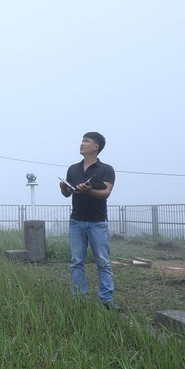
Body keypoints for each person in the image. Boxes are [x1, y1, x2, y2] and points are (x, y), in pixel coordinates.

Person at [59, 132, 118, 310]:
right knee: (77, 261)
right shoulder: (73, 169)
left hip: (97, 222)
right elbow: (67, 193)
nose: (82, 144)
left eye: (86, 141)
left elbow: (105, 193)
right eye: (82, 141)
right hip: (76, 221)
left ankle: (106, 299)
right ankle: (79, 298)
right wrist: (64, 188)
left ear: (96, 147)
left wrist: (89, 191)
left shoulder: (106, 169)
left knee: (102, 261)